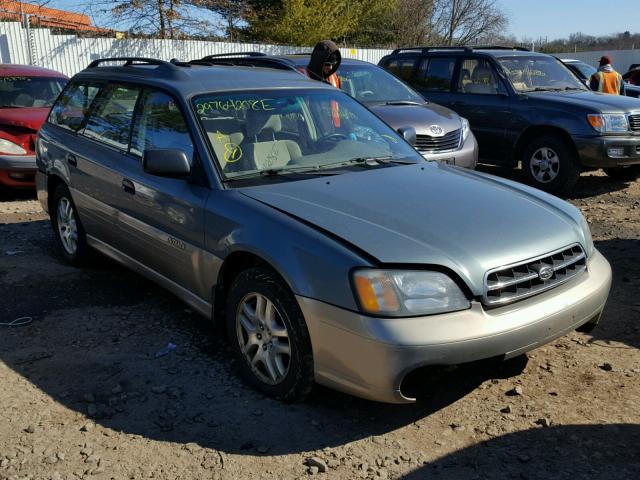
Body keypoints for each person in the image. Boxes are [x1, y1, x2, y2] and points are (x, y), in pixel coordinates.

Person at [306, 40, 342, 127]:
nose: (330, 68)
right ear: (319, 62)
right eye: (327, 64)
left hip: (334, 127)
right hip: (312, 130)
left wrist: (347, 127)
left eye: (333, 64)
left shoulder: (334, 78)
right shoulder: (304, 77)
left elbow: (341, 104)